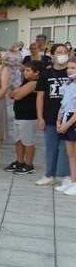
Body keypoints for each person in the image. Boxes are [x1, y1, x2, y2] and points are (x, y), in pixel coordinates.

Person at [36, 43, 72, 188]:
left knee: (65, 147)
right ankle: (49, 174)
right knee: (51, 146)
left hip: (68, 117)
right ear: (52, 56)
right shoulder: (45, 74)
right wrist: (40, 117)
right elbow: (40, 97)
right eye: (59, 52)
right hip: (50, 116)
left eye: (65, 52)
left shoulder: (71, 73)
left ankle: (65, 175)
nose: (62, 55)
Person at [5, 60, 43, 175]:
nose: (25, 73)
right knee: (19, 140)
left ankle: (29, 164)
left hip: (29, 117)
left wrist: (15, 92)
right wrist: (14, 92)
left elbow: (17, 95)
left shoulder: (34, 83)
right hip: (20, 116)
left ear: (37, 72)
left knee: (27, 141)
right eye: (24, 70)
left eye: (28, 70)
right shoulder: (26, 82)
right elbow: (12, 94)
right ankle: (20, 161)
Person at [57, 58, 76, 196]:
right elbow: (63, 104)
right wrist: (59, 121)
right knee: (70, 153)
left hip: (72, 119)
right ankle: (73, 180)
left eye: (73, 68)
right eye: (68, 68)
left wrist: (68, 124)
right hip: (66, 117)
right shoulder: (68, 84)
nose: (69, 70)